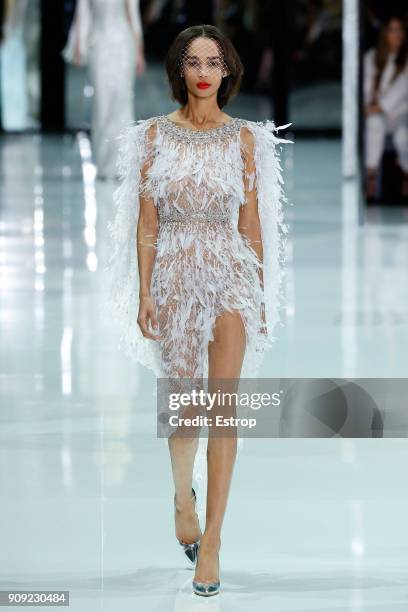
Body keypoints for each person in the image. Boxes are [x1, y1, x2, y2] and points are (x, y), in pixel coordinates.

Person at [103, 24, 292, 597]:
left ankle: (211, 543)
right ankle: (181, 493)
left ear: (228, 70)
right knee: (186, 411)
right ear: (179, 71)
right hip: (175, 275)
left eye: (214, 60)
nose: (205, 70)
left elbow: (253, 224)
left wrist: (258, 291)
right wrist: (144, 292)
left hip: (228, 271)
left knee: (223, 409)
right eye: (193, 61)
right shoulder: (154, 137)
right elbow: (147, 223)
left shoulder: (245, 140)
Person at [62, 0, 145, 179]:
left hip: (124, 45)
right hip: (98, 45)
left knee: (122, 101)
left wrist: (138, 50)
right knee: (102, 104)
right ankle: (104, 163)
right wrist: (79, 44)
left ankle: (123, 162)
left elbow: (132, 14)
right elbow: (83, 12)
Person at [363, 16, 408, 199]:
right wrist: (371, 106)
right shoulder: (372, 57)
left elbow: (401, 91)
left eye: (399, 30)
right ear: (385, 34)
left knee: (403, 135)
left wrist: (379, 107)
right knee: (374, 124)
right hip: (376, 114)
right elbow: (365, 90)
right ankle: (371, 175)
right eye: (392, 30)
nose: (396, 35)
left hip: (402, 112)